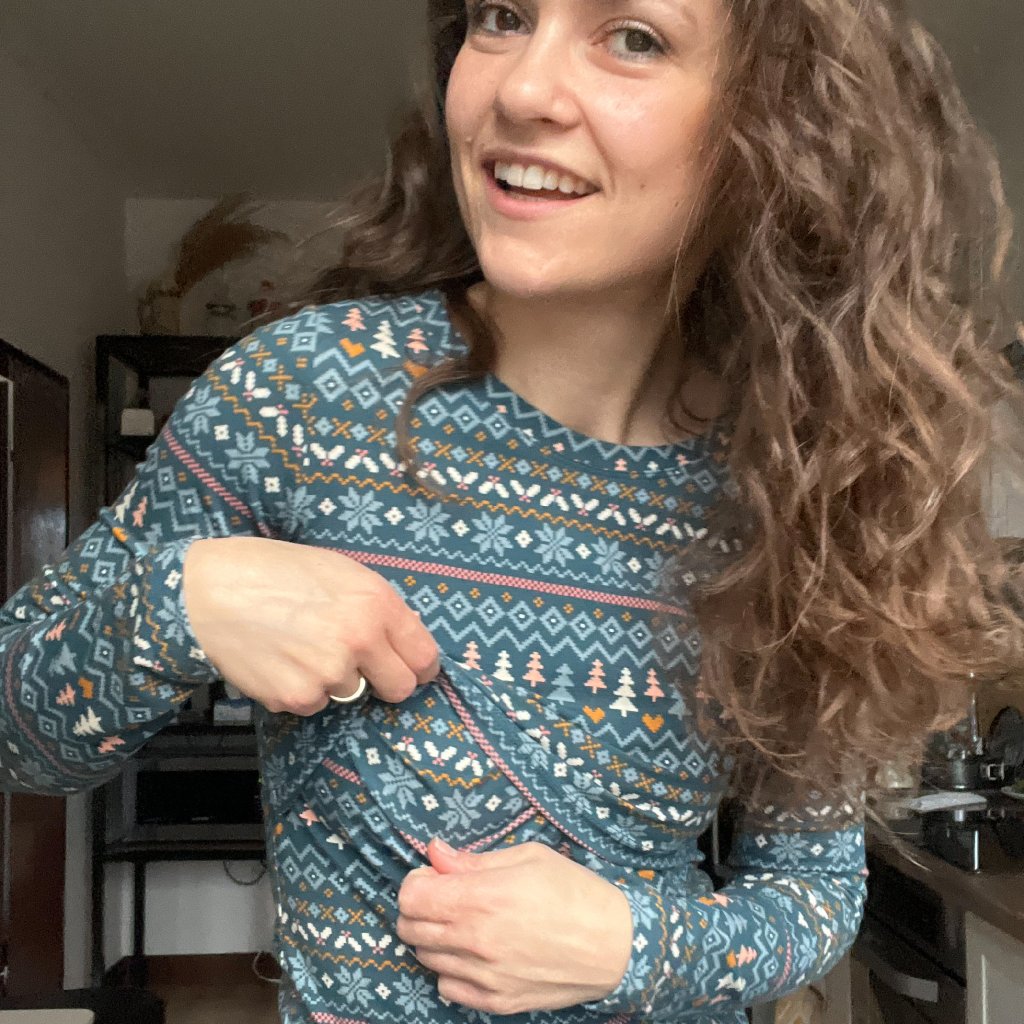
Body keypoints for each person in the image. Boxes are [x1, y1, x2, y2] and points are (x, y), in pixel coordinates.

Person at [2, 1, 1022, 1022]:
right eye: (502, 16)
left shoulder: (795, 477)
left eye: (633, 37)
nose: (523, 89)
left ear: (774, 125)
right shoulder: (302, 391)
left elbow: (814, 891)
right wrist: (173, 601)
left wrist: (635, 946)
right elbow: (18, 734)